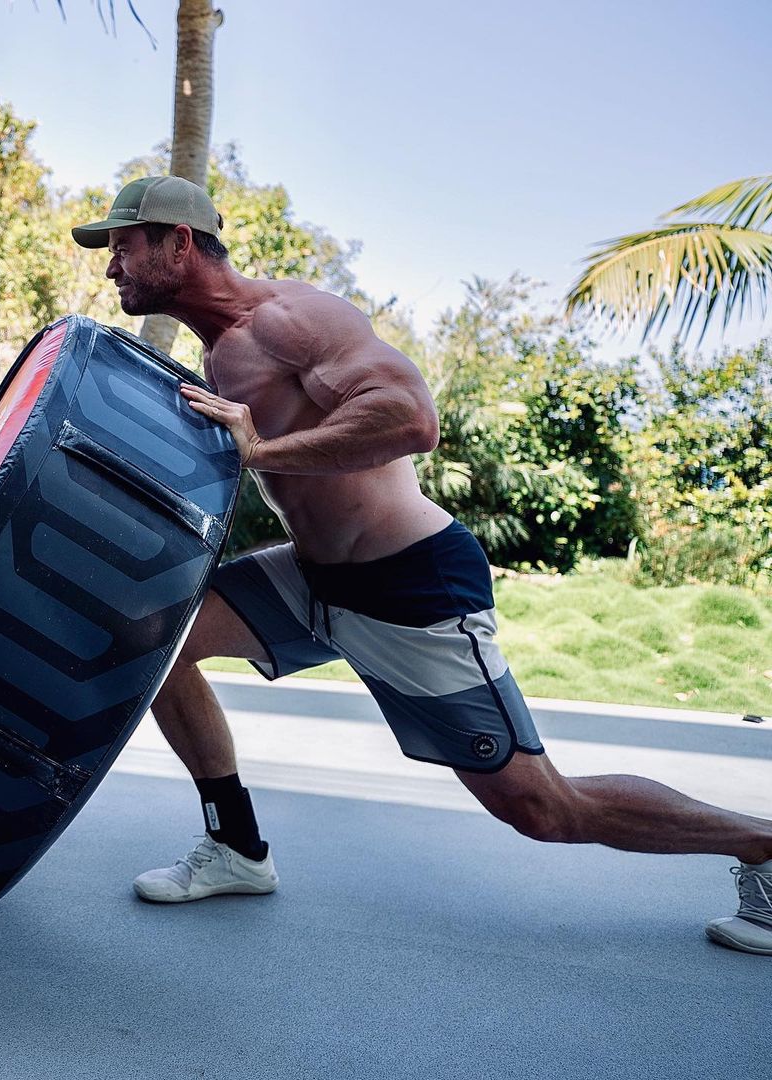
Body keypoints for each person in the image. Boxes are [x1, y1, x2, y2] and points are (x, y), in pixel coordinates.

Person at [72, 175, 772, 955]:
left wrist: (263, 449)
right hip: (315, 578)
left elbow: (411, 418)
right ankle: (237, 847)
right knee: (153, 637)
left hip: (408, 583)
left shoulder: (292, 319)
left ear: (180, 242)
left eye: (124, 247)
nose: (112, 268)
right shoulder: (219, 352)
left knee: (542, 808)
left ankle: (762, 843)